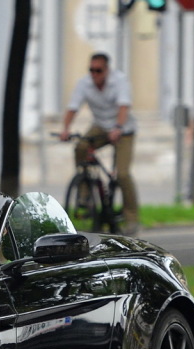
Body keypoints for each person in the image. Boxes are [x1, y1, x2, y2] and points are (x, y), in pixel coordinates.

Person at [60, 52, 139, 235]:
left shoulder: (119, 81)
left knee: (123, 174)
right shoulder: (84, 83)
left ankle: (131, 218)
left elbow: (123, 106)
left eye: (98, 71)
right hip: (101, 127)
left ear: (107, 70)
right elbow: (73, 107)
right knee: (80, 146)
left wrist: (118, 127)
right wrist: (65, 129)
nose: (94, 75)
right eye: (91, 70)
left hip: (123, 129)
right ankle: (85, 193)